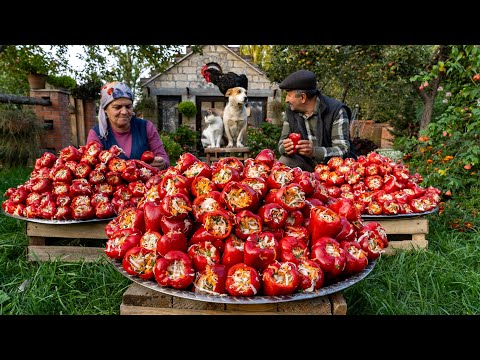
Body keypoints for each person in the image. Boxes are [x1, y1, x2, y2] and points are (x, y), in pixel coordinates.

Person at [277, 70, 356, 172]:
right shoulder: (291, 112)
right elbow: (281, 144)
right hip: (306, 165)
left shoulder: (336, 111)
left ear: (302, 97)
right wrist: (286, 148)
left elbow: (343, 149)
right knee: (285, 161)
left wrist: (314, 152)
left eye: (289, 95)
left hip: (334, 169)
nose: (286, 100)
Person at [86, 81, 170, 170]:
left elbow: (163, 157)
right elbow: (91, 165)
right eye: (117, 107)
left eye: (128, 106)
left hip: (148, 183)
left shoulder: (146, 127)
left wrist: (162, 162)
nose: (124, 112)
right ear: (105, 109)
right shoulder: (97, 134)